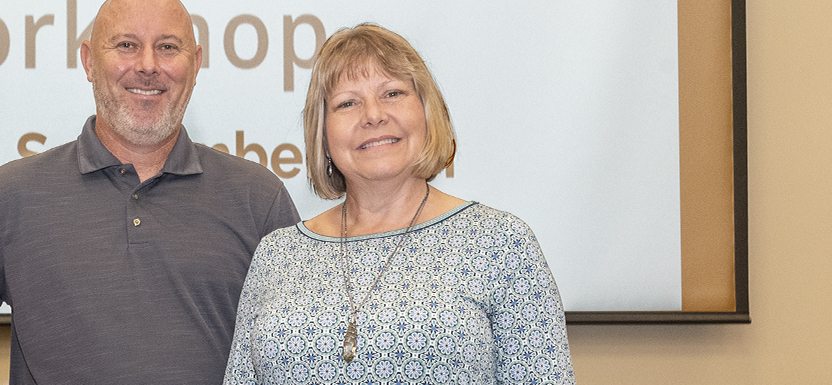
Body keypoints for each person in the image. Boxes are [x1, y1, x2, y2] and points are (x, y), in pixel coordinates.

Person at [0, 0, 301, 384]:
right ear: (89, 61)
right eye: (126, 45)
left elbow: (302, 361)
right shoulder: (9, 197)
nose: (147, 64)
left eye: (167, 47)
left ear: (195, 65)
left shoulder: (259, 199)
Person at [223, 24, 574, 384]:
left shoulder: (500, 242)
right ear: (323, 133)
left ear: (427, 112)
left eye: (392, 93)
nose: (373, 115)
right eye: (347, 103)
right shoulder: (277, 254)